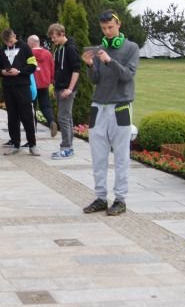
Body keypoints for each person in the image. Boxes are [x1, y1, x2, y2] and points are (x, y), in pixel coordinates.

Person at [81, 11, 140, 216]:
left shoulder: (131, 48)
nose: (107, 32)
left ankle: (120, 199)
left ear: (118, 25)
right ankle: (100, 197)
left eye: (110, 27)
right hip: (98, 107)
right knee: (98, 156)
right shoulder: (100, 49)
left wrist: (109, 61)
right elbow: (95, 79)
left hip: (120, 107)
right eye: (104, 28)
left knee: (121, 156)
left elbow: (127, 76)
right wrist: (90, 65)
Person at [0, 29, 39, 156]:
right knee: (12, 117)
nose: (9, 44)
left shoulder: (25, 47)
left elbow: (33, 66)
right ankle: (15, 143)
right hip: (8, 87)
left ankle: (32, 144)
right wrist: (3, 72)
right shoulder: (1, 50)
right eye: (6, 42)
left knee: (27, 116)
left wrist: (19, 71)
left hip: (23, 86)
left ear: (14, 36)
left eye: (11, 41)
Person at [48, 23, 81, 159]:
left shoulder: (70, 48)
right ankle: (69, 147)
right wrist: (55, 87)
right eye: (51, 37)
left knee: (63, 118)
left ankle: (66, 148)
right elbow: (57, 70)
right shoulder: (59, 49)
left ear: (62, 34)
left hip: (67, 89)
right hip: (60, 88)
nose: (52, 40)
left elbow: (76, 70)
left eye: (54, 37)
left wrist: (70, 89)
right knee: (67, 117)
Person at [28, 34, 56, 137]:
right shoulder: (48, 53)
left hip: (32, 84)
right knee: (46, 105)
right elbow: (52, 68)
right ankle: (51, 121)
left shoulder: (28, 53)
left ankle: (32, 131)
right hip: (44, 83)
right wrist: (52, 81)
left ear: (30, 43)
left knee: (31, 108)